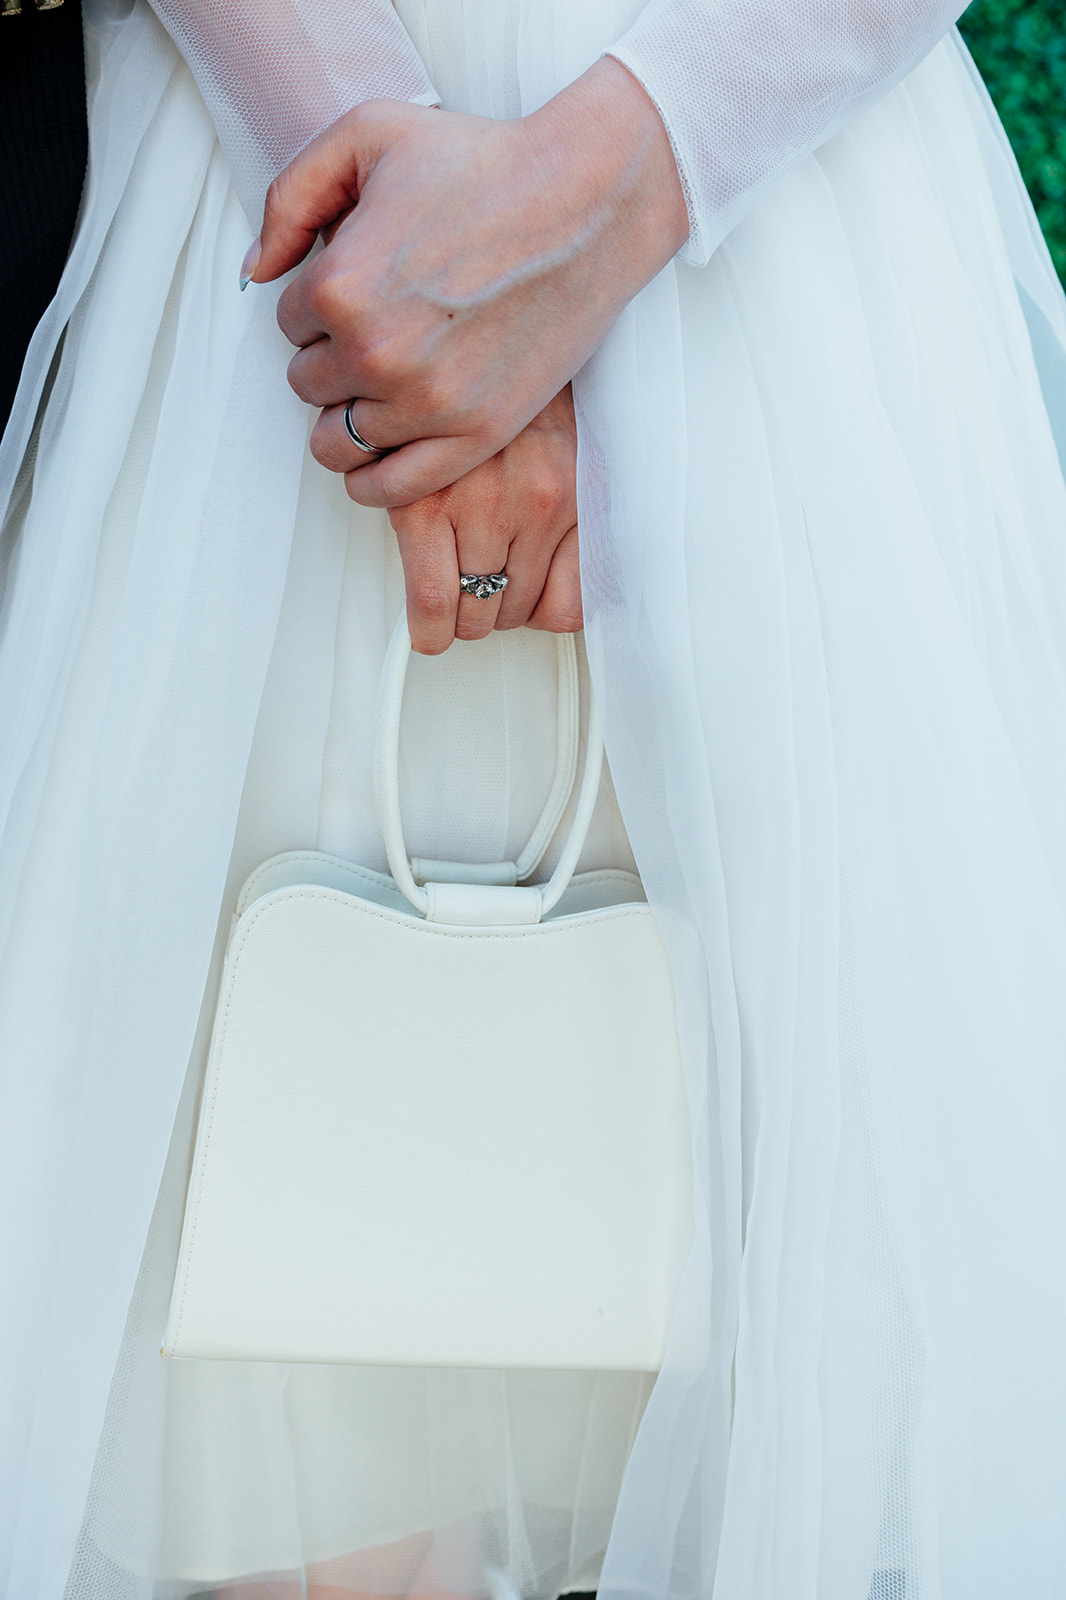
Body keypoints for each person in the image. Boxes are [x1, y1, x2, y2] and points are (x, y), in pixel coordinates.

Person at [2, 2, 1066, 1598]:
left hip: (742, 212)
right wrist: (419, 258)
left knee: (807, 1286)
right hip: (282, 200)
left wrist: (589, 198)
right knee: (252, 1383)